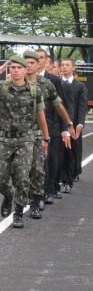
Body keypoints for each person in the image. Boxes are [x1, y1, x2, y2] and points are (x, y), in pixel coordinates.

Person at [0, 55, 50, 228]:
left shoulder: (34, 90)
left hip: (26, 139)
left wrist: (46, 138)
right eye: (13, 68)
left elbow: (41, 115)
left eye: (19, 68)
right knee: (0, 177)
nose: (15, 70)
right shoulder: (1, 87)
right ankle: (8, 195)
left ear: (25, 70)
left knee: (22, 177)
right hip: (4, 139)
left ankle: (18, 213)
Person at [23, 50, 73, 218]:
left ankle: (47, 192)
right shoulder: (20, 80)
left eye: (40, 58)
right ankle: (33, 193)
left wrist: (65, 128)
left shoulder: (53, 80)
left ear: (43, 62)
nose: (35, 62)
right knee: (30, 165)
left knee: (48, 162)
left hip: (50, 128)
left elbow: (61, 105)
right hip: (28, 130)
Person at [60, 58, 88, 194]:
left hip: (74, 125)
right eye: (63, 65)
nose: (64, 67)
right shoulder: (57, 83)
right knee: (58, 153)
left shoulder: (80, 86)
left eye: (67, 65)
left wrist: (80, 123)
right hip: (59, 125)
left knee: (72, 152)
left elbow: (82, 107)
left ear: (73, 69)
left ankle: (69, 179)